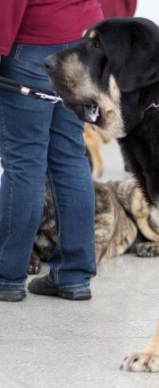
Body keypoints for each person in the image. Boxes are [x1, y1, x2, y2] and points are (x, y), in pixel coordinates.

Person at [0, 0, 104, 302]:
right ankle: (74, 276)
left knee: (24, 161)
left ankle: (7, 276)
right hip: (85, 41)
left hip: (32, 43)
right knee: (70, 155)